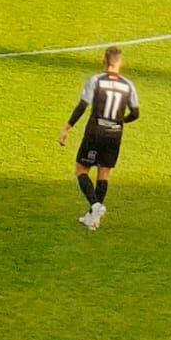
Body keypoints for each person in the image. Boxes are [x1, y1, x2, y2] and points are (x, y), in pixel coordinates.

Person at [60, 46, 140, 231]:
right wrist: (122, 121)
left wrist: (67, 128)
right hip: (115, 133)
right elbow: (135, 113)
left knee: (82, 169)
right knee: (104, 173)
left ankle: (95, 206)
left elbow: (82, 106)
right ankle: (93, 219)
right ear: (121, 63)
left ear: (104, 61)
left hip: (96, 131)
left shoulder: (96, 80)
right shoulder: (128, 85)